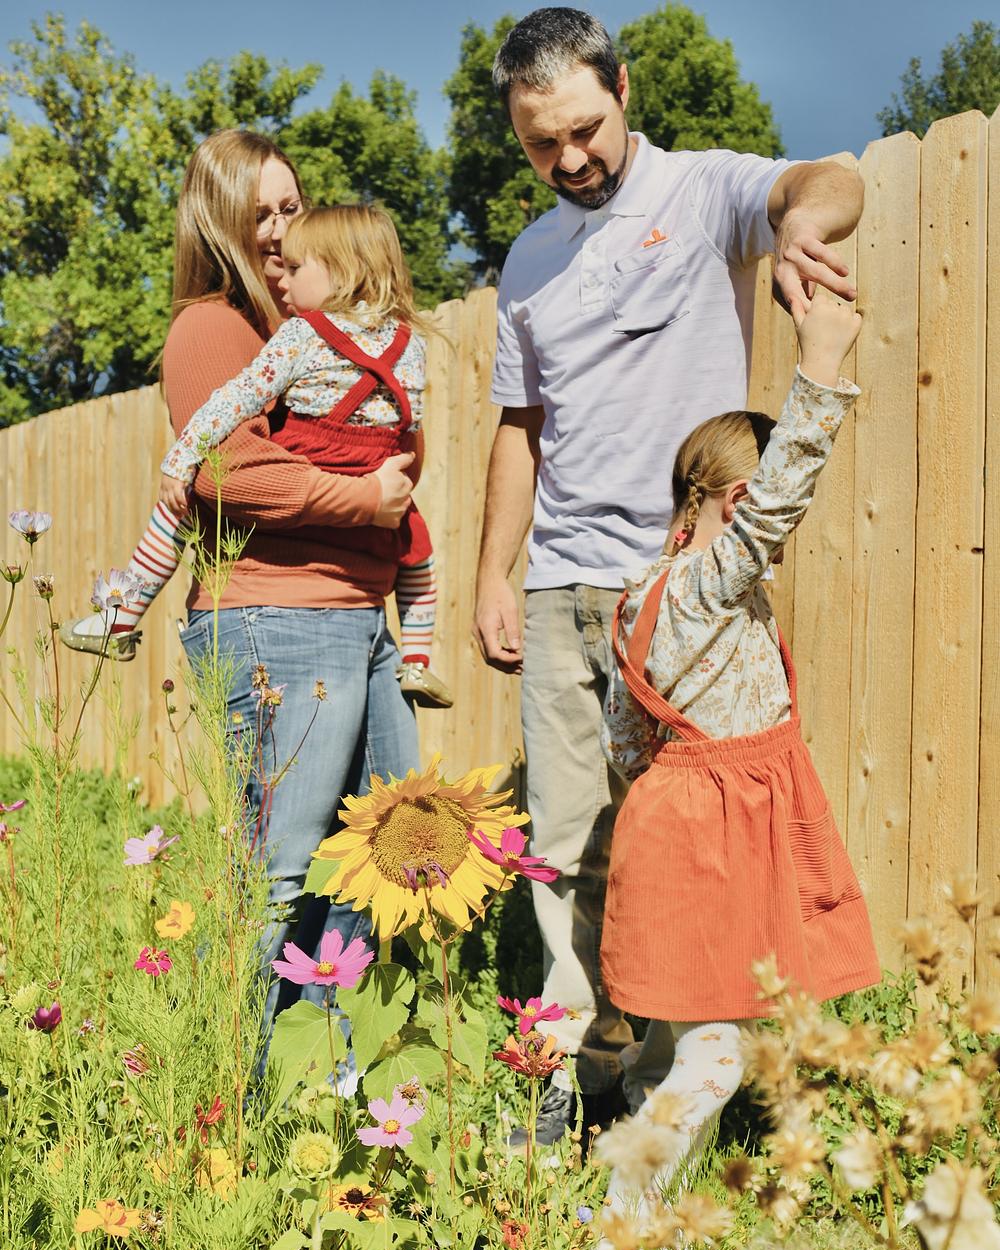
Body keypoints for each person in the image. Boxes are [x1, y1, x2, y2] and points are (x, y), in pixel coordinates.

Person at [472, 6, 865, 1147]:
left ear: (622, 89)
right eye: (541, 143)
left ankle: (657, 1079)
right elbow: (519, 430)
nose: (569, 158)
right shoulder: (528, 260)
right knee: (564, 843)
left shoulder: (702, 194)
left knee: (672, 852)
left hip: (677, 598)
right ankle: (567, 1069)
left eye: (583, 129)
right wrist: (496, 571)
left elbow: (829, 179)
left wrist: (801, 226)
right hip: (561, 588)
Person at [68, 129, 422, 1027]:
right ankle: (232, 1070)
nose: (276, 229)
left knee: (383, 859)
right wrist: (363, 499)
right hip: (278, 618)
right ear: (214, 221)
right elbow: (232, 472)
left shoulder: (307, 332)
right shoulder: (211, 326)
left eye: (290, 208)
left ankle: (326, 1064)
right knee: (281, 870)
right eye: (256, 212)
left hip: (358, 619)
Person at [591, 288, 881, 1250]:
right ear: (731, 496)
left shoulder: (644, 595)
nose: (781, 533)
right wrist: (822, 362)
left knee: (690, 1033)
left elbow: (625, 734)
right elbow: (780, 495)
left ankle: (637, 1169)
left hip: (687, 818)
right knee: (720, 1050)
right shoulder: (711, 582)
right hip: (715, 836)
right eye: (764, 511)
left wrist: (681, 793)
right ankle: (616, 1228)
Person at [60, 205, 451, 710]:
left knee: (182, 508)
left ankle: (120, 616)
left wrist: (182, 456)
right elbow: (409, 430)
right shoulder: (410, 343)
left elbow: (236, 399)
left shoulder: (303, 334)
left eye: (295, 268)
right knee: (417, 553)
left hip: (311, 455)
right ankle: (417, 660)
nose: (282, 280)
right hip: (378, 466)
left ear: (341, 271)